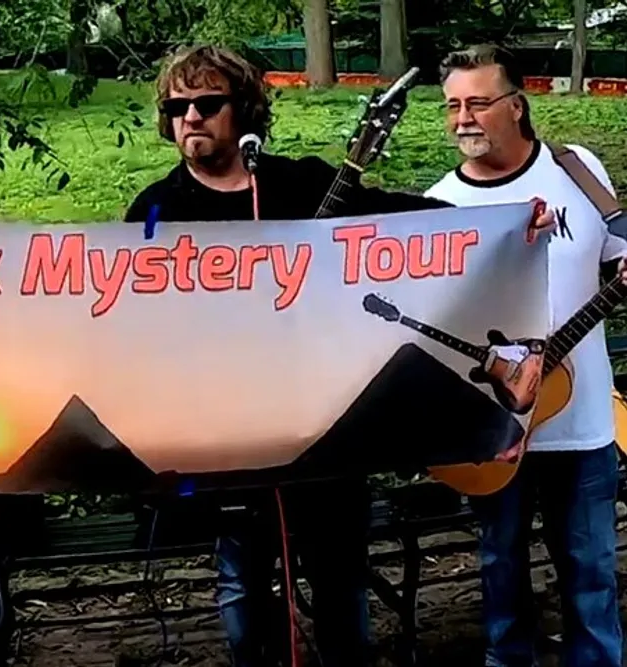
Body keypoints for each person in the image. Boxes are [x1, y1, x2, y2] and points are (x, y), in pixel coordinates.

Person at [124, 44, 454, 667]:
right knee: (243, 598)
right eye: (177, 107)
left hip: (323, 430)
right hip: (223, 436)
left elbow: (403, 224)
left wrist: (502, 220)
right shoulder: (154, 212)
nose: (190, 117)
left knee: (340, 593)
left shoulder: (299, 183)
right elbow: (124, 316)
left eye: (207, 103)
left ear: (244, 109)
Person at [424, 43, 627, 667]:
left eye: (479, 103)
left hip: (583, 419)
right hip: (492, 430)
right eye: (453, 105)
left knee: (592, 573)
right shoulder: (436, 209)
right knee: (500, 570)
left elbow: (616, 247)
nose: (464, 118)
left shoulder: (578, 169)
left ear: (517, 105)